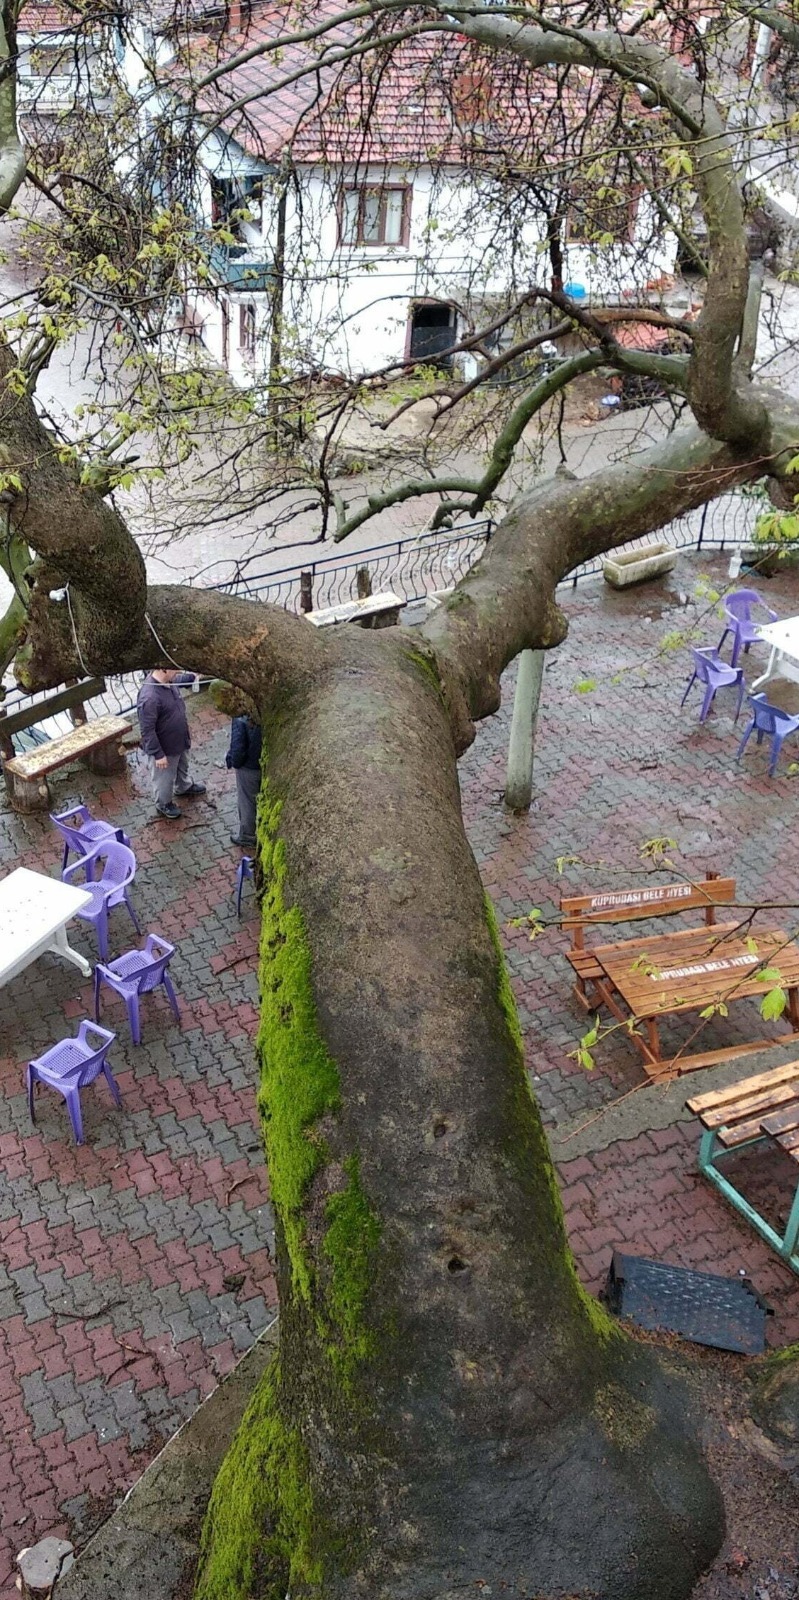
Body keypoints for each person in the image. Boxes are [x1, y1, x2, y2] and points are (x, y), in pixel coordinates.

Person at [137, 668, 207, 820]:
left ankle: (183, 786)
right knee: (164, 779)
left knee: (183, 765)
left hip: (179, 740)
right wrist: (158, 754)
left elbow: (179, 681)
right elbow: (147, 730)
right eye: (174, 669)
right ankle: (163, 803)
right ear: (163, 669)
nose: (178, 671)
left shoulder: (168, 680)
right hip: (165, 748)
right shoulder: (149, 697)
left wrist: (192, 676)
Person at [226, 710, 262, 847]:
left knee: (247, 802)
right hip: (263, 763)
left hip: (248, 768)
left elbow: (238, 748)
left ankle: (248, 836)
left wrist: (233, 761)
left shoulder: (240, 718)